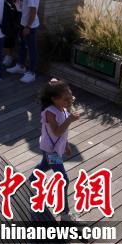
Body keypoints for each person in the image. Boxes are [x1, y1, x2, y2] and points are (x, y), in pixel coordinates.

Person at [30, 79, 79, 218]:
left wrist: (66, 144)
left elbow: (62, 133)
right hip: (51, 149)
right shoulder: (50, 113)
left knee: (44, 165)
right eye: (66, 99)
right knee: (63, 179)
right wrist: (69, 119)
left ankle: (31, 181)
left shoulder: (62, 108)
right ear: (54, 99)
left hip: (54, 147)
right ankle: (65, 213)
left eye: (71, 97)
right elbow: (57, 131)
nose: (70, 101)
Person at [6, 0, 40, 84]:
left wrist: (28, 27)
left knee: (32, 49)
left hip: (30, 25)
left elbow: (33, 11)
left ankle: (32, 72)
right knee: (21, 45)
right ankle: (20, 66)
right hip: (22, 22)